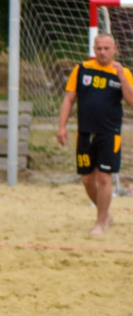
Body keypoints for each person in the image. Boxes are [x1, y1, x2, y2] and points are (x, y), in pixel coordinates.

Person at [57, 32, 133, 236]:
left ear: (114, 50)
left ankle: (100, 223)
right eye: (99, 48)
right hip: (85, 132)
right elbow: (69, 99)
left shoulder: (122, 72)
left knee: (105, 177)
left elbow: (131, 101)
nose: (102, 52)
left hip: (109, 133)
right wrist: (62, 126)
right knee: (87, 180)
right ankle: (105, 213)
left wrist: (122, 78)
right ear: (94, 49)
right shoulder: (81, 69)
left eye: (106, 48)